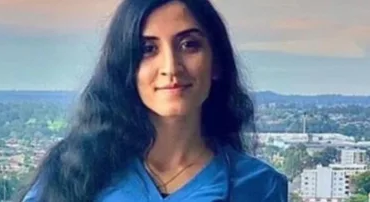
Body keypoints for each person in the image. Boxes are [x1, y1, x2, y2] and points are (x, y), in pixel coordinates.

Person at [19, 0, 288, 201]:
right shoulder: (75, 171)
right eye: (148, 49)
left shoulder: (259, 187)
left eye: (189, 45)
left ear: (216, 62)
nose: (170, 67)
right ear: (127, 68)